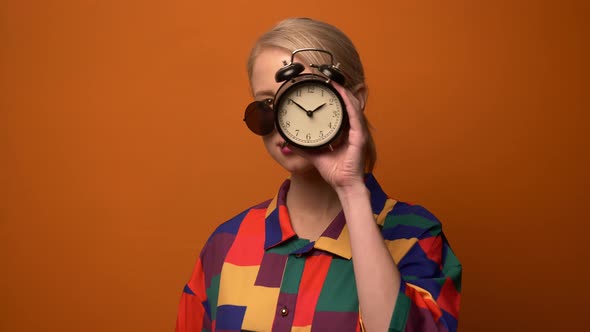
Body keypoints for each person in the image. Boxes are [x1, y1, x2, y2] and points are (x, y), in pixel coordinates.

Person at [176, 18, 461, 332]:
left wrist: (351, 189)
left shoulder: (414, 235)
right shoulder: (226, 243)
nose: (286, 122)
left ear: (356, 99)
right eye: (268, 105)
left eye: (303, 96)